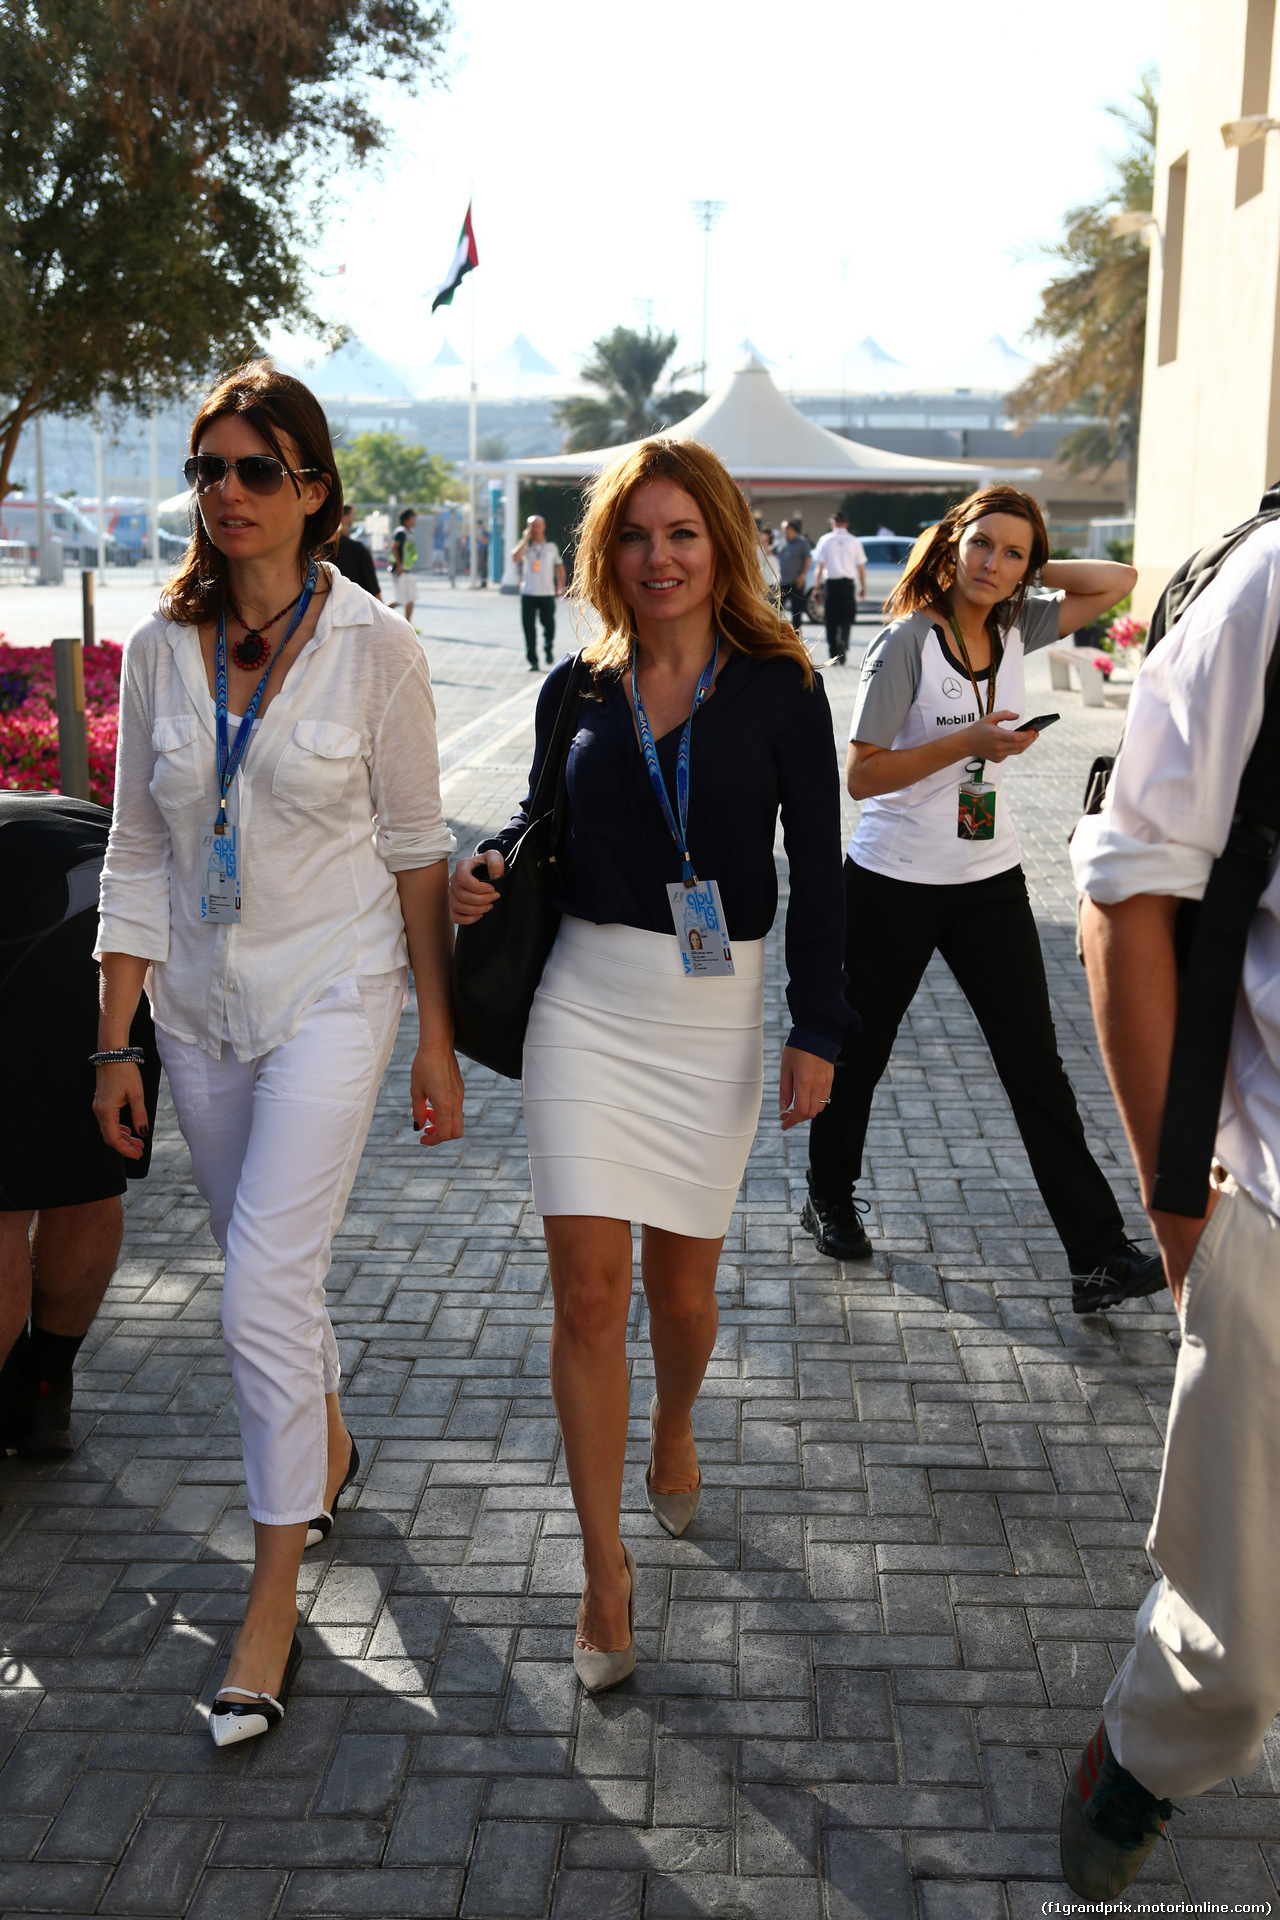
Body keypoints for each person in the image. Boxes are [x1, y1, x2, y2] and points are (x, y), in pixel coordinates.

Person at [94, 360, 462, 1750]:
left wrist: (436, 1036)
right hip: (196, 1010)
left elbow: (419, 856)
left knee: (256, 1286)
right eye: (208, 470)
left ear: (313, 489)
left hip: (335, 992)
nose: (227, 495)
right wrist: (110, 1040)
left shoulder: (381, 651)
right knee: (273, 1274)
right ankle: (333, 1445)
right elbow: (135, 848)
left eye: (257, 470)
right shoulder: (152, 648)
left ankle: (269, 1594)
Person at [450, 437, 852, 1692]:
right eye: (634, 536)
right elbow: (537, 816)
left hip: (713, 1014)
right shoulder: (574, 686)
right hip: (583, 996)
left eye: (680, 535)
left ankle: (675, 1424)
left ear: (719, 545)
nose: (658, 558)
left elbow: (824, 871)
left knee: (679, 1300)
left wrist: (818, 1026)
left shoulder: (783, 687)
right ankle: (601, 1567)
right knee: (586, 1296)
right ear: (603, 553)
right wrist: (489, 866)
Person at [1061, 517, 1280, 1896]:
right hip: (1273, 1201)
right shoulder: (1271, 589)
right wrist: (1177, 1208)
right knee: (1238, 1633)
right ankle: (1144, 1749)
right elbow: (1129, 894)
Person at [803, 485, 1165, 1315]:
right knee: (860, 1051)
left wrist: (1031, 571)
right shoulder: (907, 643)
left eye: (1013, 553)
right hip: (893, 877)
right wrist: (967, 743)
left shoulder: (1013, 622)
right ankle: (827, 1194)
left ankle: (1098, 1255)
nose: (992, 564)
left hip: (988, 880)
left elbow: (1119, 578)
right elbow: (860, 775)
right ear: (950, 543)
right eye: (981, 545)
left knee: (1036, 1065)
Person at [0, 792, 161, 1459]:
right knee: (87, 1180)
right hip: (106, 921)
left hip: (41, 917)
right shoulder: (49, 806)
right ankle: (45, 1393)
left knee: (3, 1208)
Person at [811, 509, 868, 665]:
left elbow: (819, 567)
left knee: (831, 619)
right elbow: (861, 568)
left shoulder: (825, 540)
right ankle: (843, 640)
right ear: (847, 523)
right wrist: (863, 586)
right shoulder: (854, 541)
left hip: (831, 584)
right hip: (847, 584)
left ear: (833, 523)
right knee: (846, 617)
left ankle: (833, 651)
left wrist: (817, 588)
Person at [513, 514, 566, 670]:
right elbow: (515, 558)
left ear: (544, 527)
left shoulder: (551, 547)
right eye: (531, 526)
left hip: (547, 593)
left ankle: (548, 647)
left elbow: (559, 567)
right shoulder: (525, 547)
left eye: (537, 525)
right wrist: (524, 539)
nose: (534, 529)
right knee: (529, 628)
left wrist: (561, 586)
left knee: (549, 625)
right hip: (528, 593)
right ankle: (533, 661)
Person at [331, 503, 381, 599]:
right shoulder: (353, 546)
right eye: (352, 514)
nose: (354, 517)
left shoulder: (351, 544)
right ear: (344, 517)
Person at [777, 518, 812, 633]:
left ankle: (797, 637)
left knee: (796, 612)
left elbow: (808, 558)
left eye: (784, 529)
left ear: (791, 528)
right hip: (783, 581)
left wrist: (802, 575)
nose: (783, 531)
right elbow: (772, 552)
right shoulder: (783, 542)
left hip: (796, 582)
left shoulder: (802, 542)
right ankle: (779, 634)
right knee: (777, 610)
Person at [390, 508, 417, 625]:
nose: (414, 520)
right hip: (400, 571)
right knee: (399, 599)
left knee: (411, 597)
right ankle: (379, 614)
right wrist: (399, 566)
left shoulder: (409, 533)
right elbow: (394, 548)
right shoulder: (401, 532)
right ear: (406, 520)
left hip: (407, 570)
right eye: (412, 518)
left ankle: (408, 625)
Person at [476, 522, 490, 586]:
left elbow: (485, 541)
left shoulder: (484, 532)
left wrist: (480, 537)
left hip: (484, 550)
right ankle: (481, 580)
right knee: (480, 566)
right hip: (479, 549)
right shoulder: (477, 532)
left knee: (483, 566)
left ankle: (484, 581)